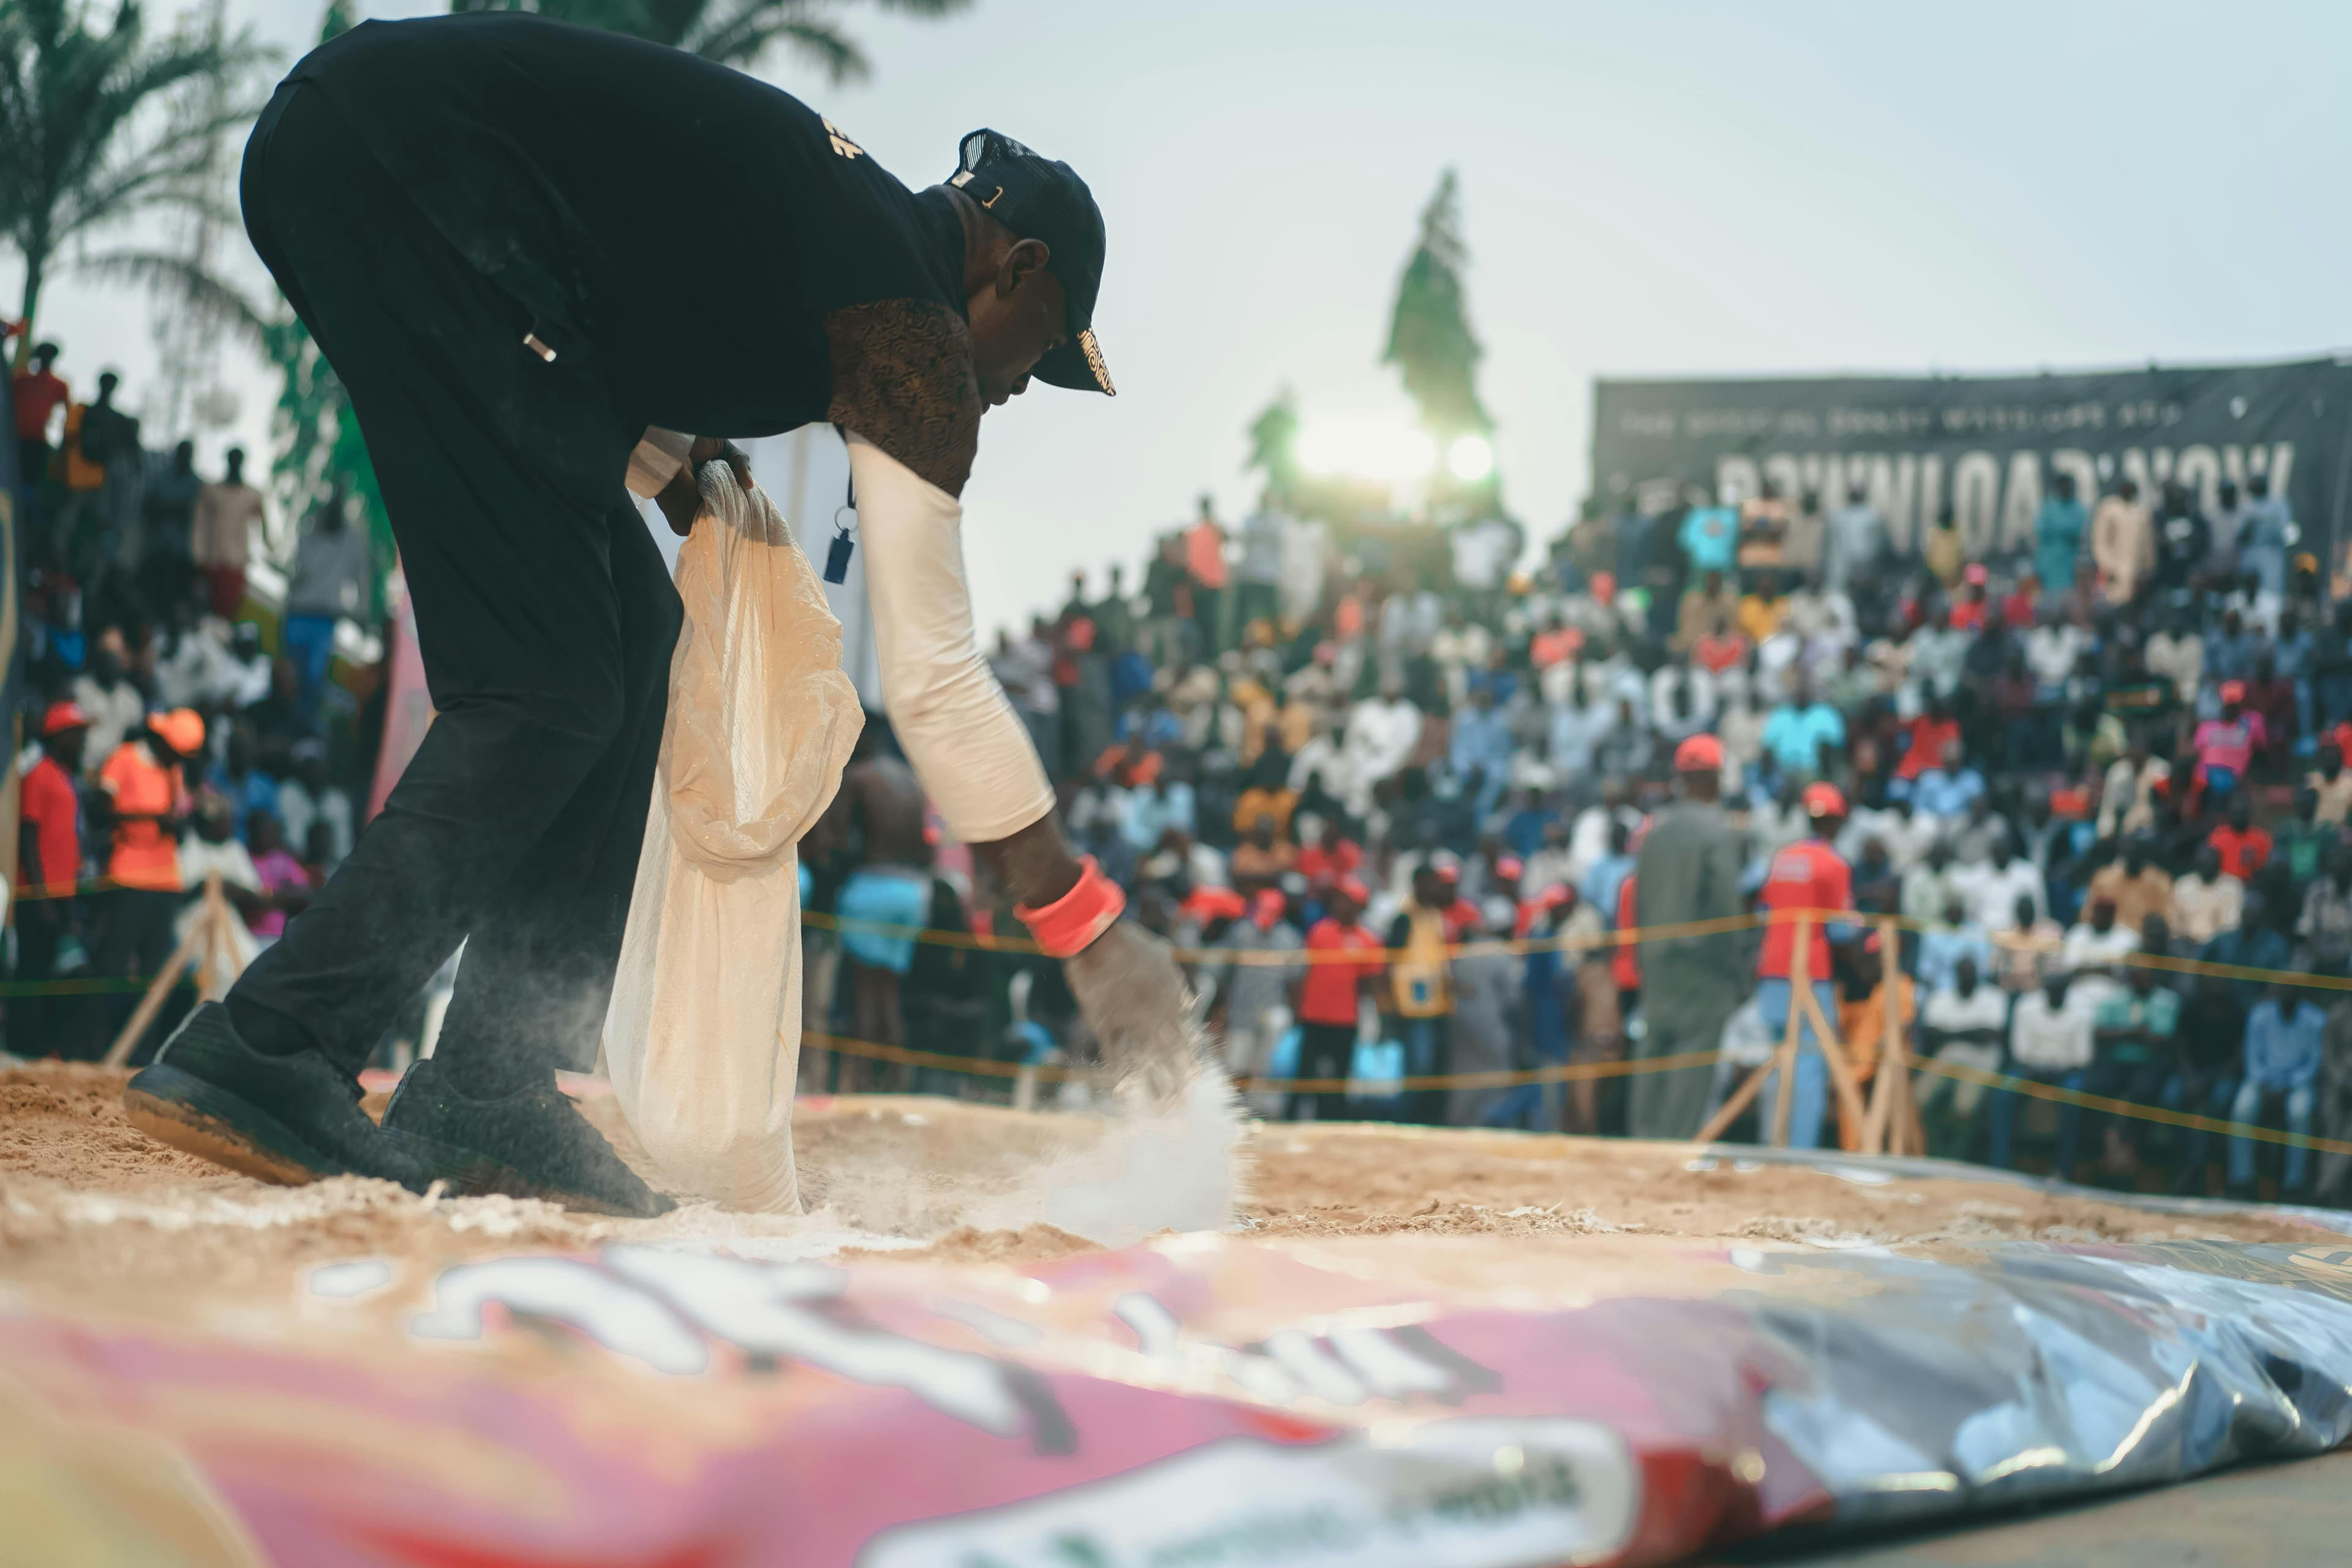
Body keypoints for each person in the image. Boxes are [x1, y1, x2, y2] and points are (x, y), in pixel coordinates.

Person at [130, 15, 1167, 1221]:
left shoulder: (855, 228)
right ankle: (275, 1038)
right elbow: (934, 676)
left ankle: (492, 1079)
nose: (1006, 389)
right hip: (411, 177)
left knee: (626, 633)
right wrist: (1086, 926)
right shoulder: (914, 325)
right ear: (1017, 266)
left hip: (372, 158)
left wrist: (667, 451)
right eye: (1030, 358)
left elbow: (608, 280)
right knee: (545, 687)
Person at [1626, 733, 1748, 1139]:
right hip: (1704, 968)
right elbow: (1725, 909)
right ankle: (1672, 1149)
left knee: (1653, 1056)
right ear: (1716, 778)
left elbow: (1638, 901)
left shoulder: (1655, 831)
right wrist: (1737, 971)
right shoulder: (1719, 832)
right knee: (1690, 1064)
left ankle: (1643, 1140)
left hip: (1657, 962)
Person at [1747, 782, 1854, 1150]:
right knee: (1809, 1065)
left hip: (1772, 972)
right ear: (1837, 822)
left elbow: (1762, 911)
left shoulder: (1780, 857)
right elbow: (1840, 931)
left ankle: (1769, 1144)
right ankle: (1799, 1152)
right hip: (1811, 974)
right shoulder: (1834, 864)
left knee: (1776, 1062)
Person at [16, 702, 92, 1057]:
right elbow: (28, 837)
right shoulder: (39, 774)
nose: (83, 741)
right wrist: (41, 896)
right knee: (33, 973)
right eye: (78, 734)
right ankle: (28, 1047)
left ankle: (50, 1046)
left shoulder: (64, 776)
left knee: (61, 975)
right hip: (39, 895)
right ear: (60, 736)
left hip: (64, 894)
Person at [1288, 878, 1379, 1123]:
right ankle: (1290, 1117)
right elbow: (1302, 972)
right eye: (1338, 899)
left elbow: (1369, 981)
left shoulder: (1367, 939)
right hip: (1314, 1014)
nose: (1340, 905)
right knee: (1303, 1072)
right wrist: (1297, 1008)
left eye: (1346, 900)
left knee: (1339, 1077)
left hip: (1345, 1019)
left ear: (1358, 906)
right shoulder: (1320, 931)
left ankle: (1334, 1121)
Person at [1989, 971, 2094, 1177]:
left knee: (2075, 1096)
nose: (2056, 994)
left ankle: (2064, 1169)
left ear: (2067, 990)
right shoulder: (2027, 1007)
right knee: (2003, 1092)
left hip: (2066, 1073)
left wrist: (2056, 1068)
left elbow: (2082, 1058)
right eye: (2052, 990)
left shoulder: (2083, 1012)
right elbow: (2020, 1051)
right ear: (2045, 990)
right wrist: (2037, 1068)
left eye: (2060, 990)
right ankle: (1999, 1165)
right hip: (2030, 1069)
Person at [2230, 984, 2326, 1200]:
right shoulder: (2260, 1016)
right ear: (2277, 992)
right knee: (2242, 1109)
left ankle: (2294, 1183)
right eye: (2284, 990)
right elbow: (2253, 1057)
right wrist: (2263, 1083)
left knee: (2300, 1113)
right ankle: (2241, 1179)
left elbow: (2313, 1063)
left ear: (2300, 994)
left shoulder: (2315, 1019)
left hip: (2297, 1084)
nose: (2287, 995)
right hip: (2261, 1081)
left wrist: (2289, 1084)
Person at [2087, 962, 2179, 1182]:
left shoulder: (2167, 1000)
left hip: (2149, 1062)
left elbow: (2162, 1040)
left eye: (2145, 976)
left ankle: (2131, 1151)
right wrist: (2136, 1033)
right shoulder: (2114, 997)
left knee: (2144, 1092)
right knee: (2094, 1087)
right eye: (2136, 976)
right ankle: (2109, 1146)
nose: (2141, 980)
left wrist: (2121, 1034)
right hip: (2116, 1060)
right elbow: (2100, 1033)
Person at [1382, 864, 1457, 1126]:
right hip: (1413, 1007)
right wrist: (1390, 1003)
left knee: (1431, 1069)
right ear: (1418, 884)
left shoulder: (1435, 915)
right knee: (1417, 1069)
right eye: (1430, 883)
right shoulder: (1405, 917)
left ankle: (1426, 1121)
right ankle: (1407, 1120)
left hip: (1437, 1005)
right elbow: (1390, 961)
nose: (1435, 888)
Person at [1916, 954, 2007, 1159]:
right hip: (1948, 1056)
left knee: (1964, 1107)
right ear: (1956, 976)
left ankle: (1956, 1157)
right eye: (1963, 974)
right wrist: (1971, 1032)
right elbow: (1931, 1033)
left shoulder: (1993, 997)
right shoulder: (1942, 996)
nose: (1967, 979)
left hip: (1982, 1059)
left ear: (1978, 976)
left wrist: (1951, 1034)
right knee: (1921, 1097)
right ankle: (1937, 1153)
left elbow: (1990, 1035)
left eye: (1971, 974)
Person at [192, 446, 268, 619]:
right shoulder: (211, 491)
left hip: (235, 565)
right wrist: (199, 557)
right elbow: (200, 525)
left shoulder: (252, 495)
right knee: (203, 615)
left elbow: (265, 526)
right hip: (211, 562)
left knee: (224, 618)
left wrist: (269, 549)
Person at [2086, 840, 2173, 941]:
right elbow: (2088, 914)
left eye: (2137, 853)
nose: (2133, 857)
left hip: (2142, 940)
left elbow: (2166, 920)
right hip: (2107, 934)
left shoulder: (2160, 882)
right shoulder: (2104, 878)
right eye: (2128, 853)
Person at [2089, 477, 2154, 605]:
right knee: (2113, 606)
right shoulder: (2109, 509)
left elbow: (2147, 544)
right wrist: (2108, 567)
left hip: (2136, 573)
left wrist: (2148, 568)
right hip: (2114, 573)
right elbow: (2100, 542)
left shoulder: (2141, 512)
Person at [2169, 844, 2244, 945]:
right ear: (2196, 864)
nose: (2207, 868)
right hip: (2186, 943)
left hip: (2217, 945)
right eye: (2203, 864)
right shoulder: (2183, 886)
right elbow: (2174, 925)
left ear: (2219, 865)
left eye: (2211, 865)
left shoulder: (2232, 887)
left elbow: (2230, 927)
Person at [2032, 471, 2086, 599]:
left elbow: (2077, 531)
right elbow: (2040, 529)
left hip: (2070, 568)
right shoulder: (2048, 508)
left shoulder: (2079, 509)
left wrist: (2057, 528)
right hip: (2048, 567)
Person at [2207, 796, 2272, 884]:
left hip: (2251, 886)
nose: (2239, 817)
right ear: (2229, 814)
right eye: (2236, 813)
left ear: (2249, 814)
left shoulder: (2262, 839)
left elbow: (2265, 869)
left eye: (2243, 813)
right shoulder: (2218, 837)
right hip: (2223, 886)